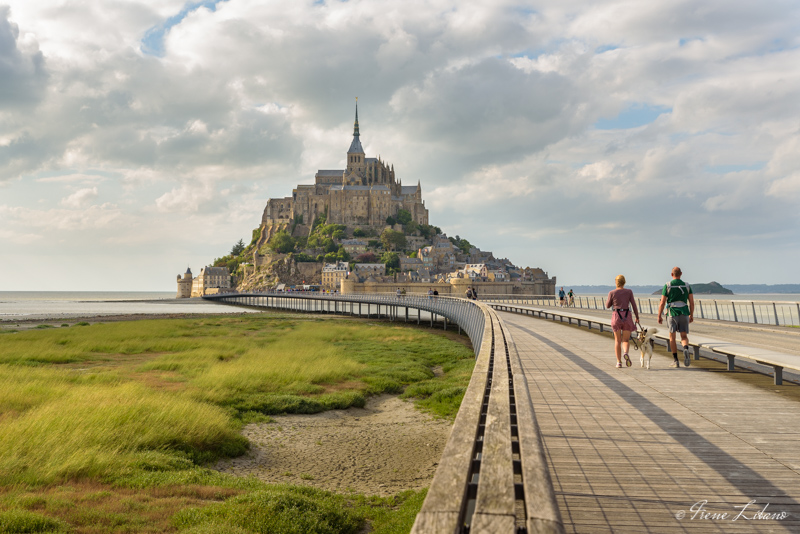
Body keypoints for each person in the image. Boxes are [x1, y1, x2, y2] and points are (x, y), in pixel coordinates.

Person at [657, 266, 695, 368]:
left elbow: (662, 302)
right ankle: (685, 348)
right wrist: (691, 314)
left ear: (671, 274)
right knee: (683, 336)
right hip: (684, 312)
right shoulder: (686, 285)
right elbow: (691, 302)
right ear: (681, 274)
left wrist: (659, 315)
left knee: (672, 338)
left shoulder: (668, 285)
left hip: (672, 313)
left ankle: (676, 360)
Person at [605, 275, 640, 368]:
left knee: (617, 340)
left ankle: (618, 362)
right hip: (627, 316)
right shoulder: (629, 292)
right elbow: (634, 304)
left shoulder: (612, 292)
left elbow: (607, 305)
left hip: (616, 316)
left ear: (616, 282)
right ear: (624, 282)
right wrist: (637, 317)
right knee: (626, 340)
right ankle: (625, 352)